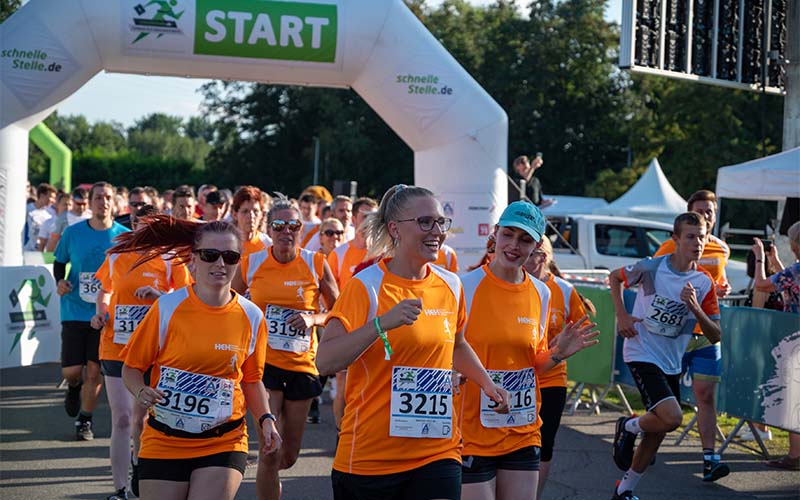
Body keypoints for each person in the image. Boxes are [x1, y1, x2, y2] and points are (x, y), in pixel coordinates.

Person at [316, 184, 511, 500]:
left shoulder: (451, 285)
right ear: (395, 229)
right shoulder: (366, 287)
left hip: (437, 450)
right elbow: (325, 361)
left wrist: (487, 384)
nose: (436, 231)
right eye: (424, 222)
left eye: (439, 222)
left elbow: (457, 344)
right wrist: (382, 324)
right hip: (371, 456)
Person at [108, 217, 281, 500]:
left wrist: (266, 419)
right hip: (164, 439)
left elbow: (252, 380)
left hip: (224, 439)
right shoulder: (167, 307)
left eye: (230, 256)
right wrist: (141, 391)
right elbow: (132, 368)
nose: (220, 264)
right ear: (194, 258)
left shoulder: (252, 316)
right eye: (210, 255)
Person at [457, 201, 598, 500]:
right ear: (495, 234)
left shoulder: (542, 292)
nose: (514, 246)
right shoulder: (464, 287)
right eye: (508, 234)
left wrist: (558, 353)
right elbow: (449, 352)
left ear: (535, 246)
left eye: (525, 240)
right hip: (472, 431)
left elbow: (533, 365)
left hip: (522, 428)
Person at [609, 212, 722, 500]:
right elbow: (615, 277)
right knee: (671, 418)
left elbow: (716, 334)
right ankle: (628, 425)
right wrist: (622, 315)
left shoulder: (704, 282)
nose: (698, 242)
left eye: (702, 236)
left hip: (670, 360)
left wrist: (695, 308)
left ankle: (625, 490)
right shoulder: (652, 267)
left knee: (656, 433)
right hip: (641, 350)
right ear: (675, 239)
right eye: (690, 236)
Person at [233, 197, 338, 500]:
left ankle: (272, 482)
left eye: (293, 225)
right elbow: (229, 303)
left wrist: (313, 317)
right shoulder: (251, 262)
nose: (286, 231)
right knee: (269, 449)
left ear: (300, 228)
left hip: (303, 365)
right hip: (264, 366)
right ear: (269, 228)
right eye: (279, 225)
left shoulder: (316, 262)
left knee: (288, 456)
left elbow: (338, 310)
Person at [91, 205, 192, 500]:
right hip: (116, 346)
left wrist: (159, 296)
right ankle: (120, 490)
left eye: (151, 226)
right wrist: (101, 313)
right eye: (140, 224)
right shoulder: (116, 256)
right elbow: (104, 292)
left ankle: (140, 465)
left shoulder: (170, 259)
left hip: (154, 352)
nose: (143, 230)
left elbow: (187, 300)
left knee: (141, 420)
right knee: (121, 418)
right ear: (133, 226)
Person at [652, 189, 731, 481]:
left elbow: (718, 282)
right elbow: (653, 279)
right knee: (667, 401)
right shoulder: (667, 247)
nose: (706, 216)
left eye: (710, 212)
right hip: (674, 335)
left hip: (704, 330)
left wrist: (721, 289)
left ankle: (710, 458)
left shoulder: (722, 249)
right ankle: (640, 436)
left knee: (705, 395)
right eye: (701, 211)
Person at [54, 182, 130, 440]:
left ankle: (84, 420)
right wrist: (59, 281)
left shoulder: (124, 236)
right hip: (74, 309)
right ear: (90, 201)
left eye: (108, 197)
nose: (103, 202)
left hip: (106, 313)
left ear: (115, 202)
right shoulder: (73, 233)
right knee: (72, 371)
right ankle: (73, 387)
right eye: (98, 197)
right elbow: (59, 261)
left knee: (95, 370)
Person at [522, 236, 590, 497]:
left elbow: (583, 328)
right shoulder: (514, 284)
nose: (528, 259)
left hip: (551, 377)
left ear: (545, 257)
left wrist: (563, 342)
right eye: (527, 253)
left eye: (534, 254)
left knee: (544, 443)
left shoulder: (563, 289)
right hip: (516, 376)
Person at [325, 197, 378, 429]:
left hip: (377, 326)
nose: (369, 222)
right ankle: (341, 433)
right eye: (365, 216)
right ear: (354, 220)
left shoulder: (383, 251)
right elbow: (330, 293)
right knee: (343, 380)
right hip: (348, 325)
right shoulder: (339, 253)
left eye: (374, 217)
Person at [751, 221, 800, 471]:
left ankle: (795, 456)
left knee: (795, 400)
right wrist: (776, 262)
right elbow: (790, 283)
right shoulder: (794, 272)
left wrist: (760, 259)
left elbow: (761, 285)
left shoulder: (796, 271)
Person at [231, 185, 272, 262]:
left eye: (255, 211)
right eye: (245, 211)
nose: (251, 216)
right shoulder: (226, 243)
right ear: (235, 214)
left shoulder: (268, 245)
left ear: (262, 215)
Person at [46, 187, 91, 252]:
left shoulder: (92, 216)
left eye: (84, 204)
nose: (81, 207)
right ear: (72, 201)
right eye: (78, 204)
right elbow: (53, 241)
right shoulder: (63, 218)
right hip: (69, 257)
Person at [24, 182, 56, 251]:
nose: (53, 201)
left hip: (42, 252)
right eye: (51, 197)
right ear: (42, 196)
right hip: (27, 251)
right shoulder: (26, 209)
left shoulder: (49, 214)